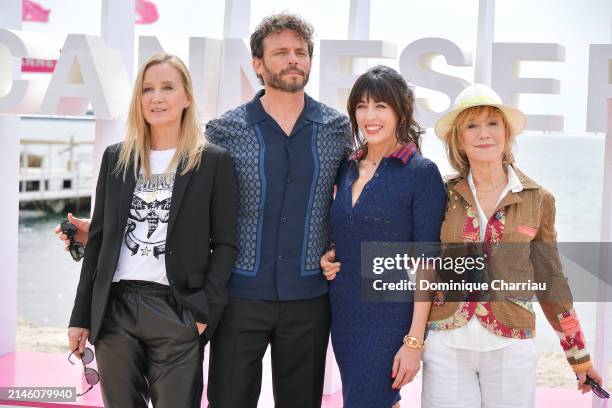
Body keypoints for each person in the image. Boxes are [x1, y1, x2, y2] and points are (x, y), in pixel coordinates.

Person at [57, 14, 351, 408]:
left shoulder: (336, 128)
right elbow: (181, 206)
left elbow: (352, 200)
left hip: (308, 298)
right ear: (258, 65)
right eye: (281, 52)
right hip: (238, 300)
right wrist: (99, 232)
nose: (293, 59)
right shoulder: (224, 132)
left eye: (301, 52)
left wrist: (339, 246)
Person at [63, 54, 238, 408]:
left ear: (187, 97)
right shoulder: (116, 158)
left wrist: (203, 314)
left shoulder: (213, 161)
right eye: (147, 89)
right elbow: (97, 242)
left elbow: (225, 244)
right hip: (115, 309)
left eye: (168, 87)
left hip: (178, 309)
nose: (156, 97)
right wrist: (81, 316)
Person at [420, 83, 602, 407]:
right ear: (459, 139)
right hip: (446, 344)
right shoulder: (439, 193)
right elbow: (419, 263)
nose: (483, 134)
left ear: (506, 132)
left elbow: (552, 281)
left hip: (511, 346)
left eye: (492, 123)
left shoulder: (538, 200)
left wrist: (580, 356)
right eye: (472, 126)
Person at [320, 66, 446, 407]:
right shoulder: (347, 166)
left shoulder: (421, 173)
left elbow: (427, 261)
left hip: (389, 316)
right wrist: (328, 255)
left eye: (381, 106)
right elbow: (347, 231)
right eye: (361, 106)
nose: (369, 116)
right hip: (345, 311)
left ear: (401, 110)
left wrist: (414, 340)